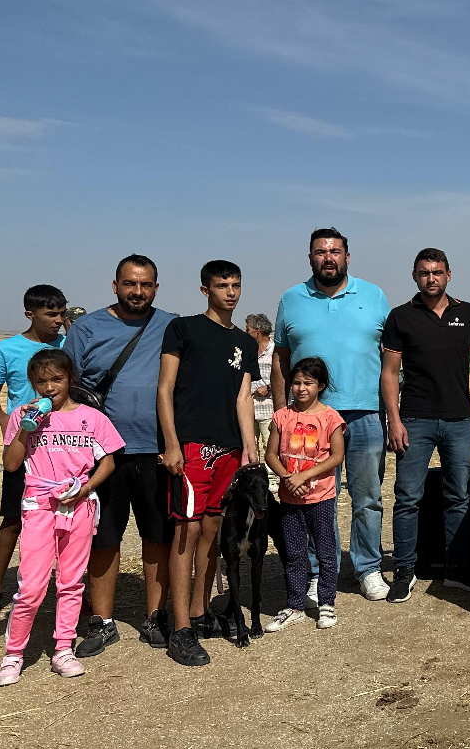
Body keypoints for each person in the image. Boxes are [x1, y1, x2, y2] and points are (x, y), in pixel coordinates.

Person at [64, 254, 177, 655]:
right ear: (115, 285)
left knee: (157, 537)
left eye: (146, 285)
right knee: (103, 539)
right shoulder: (85, 328)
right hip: (103, 455)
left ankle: (154, 617)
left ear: (156, 288)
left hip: (157, 451)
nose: (138, 291)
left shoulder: (172, 325)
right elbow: (66, 385)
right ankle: (103, 621)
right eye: (130, 283)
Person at [381, 249, 470, 601]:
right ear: (414, 276)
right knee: (407, 498)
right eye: (424, 273)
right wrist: (394, 420)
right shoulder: (400, 317)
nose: (430, 278)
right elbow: (389, 373)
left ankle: (457, 569)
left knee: (458, 497)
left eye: (437, 272)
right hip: (415, 419)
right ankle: (404, 570)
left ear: (449, 275)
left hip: (459, 420)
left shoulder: (466, 312)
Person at [272, 229, 390, 602]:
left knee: (367, 496)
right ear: (310, 258)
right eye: (320, 252)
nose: (328, 258)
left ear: (347, 257)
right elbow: (281, 359)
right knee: (312, 497)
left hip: (366, 412)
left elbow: (391, 356)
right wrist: (281, 411)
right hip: (308, 417)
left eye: (335, 251)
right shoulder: (291, 299)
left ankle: (368, 568)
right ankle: (320, 571)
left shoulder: (374, 296)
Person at [0, 350, 123, 687]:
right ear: (32, 383)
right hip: (38, 504)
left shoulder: (92, 418)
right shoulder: (23, 415)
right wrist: (25, 428)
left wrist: (87, 487)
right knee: (32, 585)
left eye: (57, 379)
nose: (49, 387)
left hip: (77, 504)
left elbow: (108, 460)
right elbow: (11, 465)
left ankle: (63, 648)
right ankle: (14, 653)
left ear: (70, 380)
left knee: (71, 581)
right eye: (41, 381)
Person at [157, 260, 260, 668]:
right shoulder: (183, 329)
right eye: (222, 285)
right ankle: (180, 628)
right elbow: (165, 388)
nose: (231, 292)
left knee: (213, 529)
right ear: (205, 290)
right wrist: (172, 443)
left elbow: (243, 398)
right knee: (186, 529)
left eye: (236, 284)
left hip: (230, 449)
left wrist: (249, 447)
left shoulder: (246, 343)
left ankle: (200, 613)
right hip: (192, 446)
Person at [0, 285, 67, 626]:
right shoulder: (6, 349)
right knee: (13, 518)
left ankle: (71, 591)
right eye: (51, 314)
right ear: (30, 313)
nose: (58, 321)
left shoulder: (67, 344)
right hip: (24, 444)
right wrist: (6, 423)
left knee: (68, 519)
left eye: (62, 313)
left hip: (64, 445)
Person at [264, 358, 346, 632]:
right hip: (289, 498)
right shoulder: (281, 417)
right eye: (297, 382)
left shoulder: (330, 418)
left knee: (324, 550)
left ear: (320, 385)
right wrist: (288, 477)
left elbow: (336, 456)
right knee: (294, 552)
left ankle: (326, 604)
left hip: (321, 497)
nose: (301, 388)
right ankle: (296, 604)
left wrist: (304, 476)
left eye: (308, 383)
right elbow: (271, 455)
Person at [245, 313, 275, 463]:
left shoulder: (275, 351)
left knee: (270, 445)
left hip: (268, 408)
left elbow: (284, 378)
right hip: (249, 408)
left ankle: (273, 481)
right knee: (251, 447)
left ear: (257, 331)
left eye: (248, 329)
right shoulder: (248, 351)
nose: (246, 333)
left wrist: (268, 388)